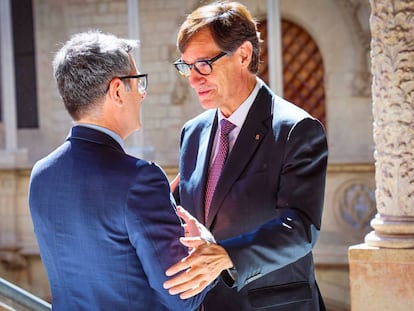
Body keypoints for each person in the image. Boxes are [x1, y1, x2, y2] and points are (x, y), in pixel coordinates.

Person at [28, 30, 214, 311]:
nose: (143, 94)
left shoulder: (41, 175)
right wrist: (206, 244)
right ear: (117, 91)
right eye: (138, 82)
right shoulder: (141, 179)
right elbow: (182, 296)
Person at [163, 2, 328, 310]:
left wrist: (226, 256)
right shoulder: (192, 132)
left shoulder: (297, 129)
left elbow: (301, 228)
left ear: (243, 55)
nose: (193, 78)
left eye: (204, 64)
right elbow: (184, 208)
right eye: (187, 66)